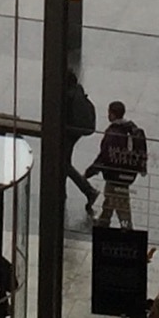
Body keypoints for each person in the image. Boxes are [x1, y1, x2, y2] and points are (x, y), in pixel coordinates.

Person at [93, 101, 148, 227]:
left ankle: (126, 228)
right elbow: (142, 149)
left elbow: (105, 155)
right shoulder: (134, 130)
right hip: (127, 174)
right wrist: (142, 167)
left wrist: (92, 170)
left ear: (112, 115)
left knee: (121, 205)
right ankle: (103, 221)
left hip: (114, 174)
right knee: (110, 196)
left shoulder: (113, 133)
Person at [60, 72, 100, 215]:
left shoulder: (66, 95)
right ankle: (61, 192)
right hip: (74, 132)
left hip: (68, 132)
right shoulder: (77, 90)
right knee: (64, 161)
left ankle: (89, 191)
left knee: (63, 163)